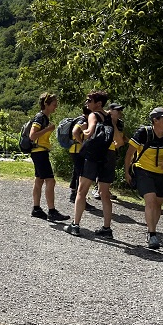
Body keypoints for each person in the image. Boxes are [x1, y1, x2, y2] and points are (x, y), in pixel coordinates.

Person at [124, 107, 163, 249]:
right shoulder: (143, 133)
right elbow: (129, 154)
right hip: (144, 171)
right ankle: (152, 234)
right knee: (151, 201)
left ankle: (151, 230)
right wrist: (127, 172)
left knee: (158, 204)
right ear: (155, 120)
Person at [65, 91, 122, 238]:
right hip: (109, 154)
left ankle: (75, 225)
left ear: (98, 103)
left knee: (81, 190)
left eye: (89, 100)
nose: (87, 103)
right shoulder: (110, 117)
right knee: (105, 194)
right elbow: (119, 140)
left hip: (94, 155)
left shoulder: (93, 115)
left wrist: (82, 131)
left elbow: (89, 132)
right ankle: (107, 229)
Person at [28, 92, 70, 222]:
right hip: (39, 152)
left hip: (38, 151)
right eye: (54, 105)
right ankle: (52, 211)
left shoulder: (43, 117)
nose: (55, 107)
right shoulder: (40, 118)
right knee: (50, 181)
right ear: (46, 104)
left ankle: (36, 209)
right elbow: (32, 136)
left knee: (39, 180)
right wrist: (49, 129)